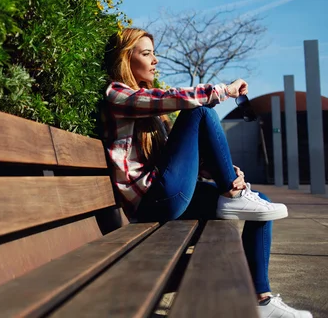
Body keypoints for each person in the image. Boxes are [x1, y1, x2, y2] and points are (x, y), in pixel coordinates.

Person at [101, 27, 312, 318]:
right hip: (153, 201)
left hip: (167, 193)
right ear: (126, 58)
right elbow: (178, 100)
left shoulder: (151, 112)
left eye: (155, 53)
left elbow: (174, 162)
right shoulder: (118, 95)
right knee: (199, 110)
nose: (155, 60)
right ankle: (234, 192)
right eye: (146, 53)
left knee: (260, 203)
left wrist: (221, 171)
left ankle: (261, 300)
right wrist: (223, 91)